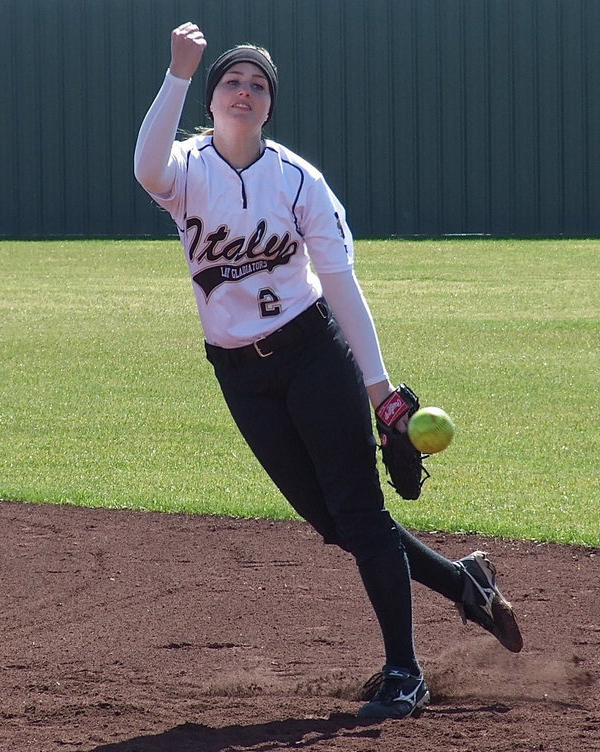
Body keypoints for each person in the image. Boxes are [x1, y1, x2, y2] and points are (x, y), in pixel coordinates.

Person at [134, 21, 522, 720]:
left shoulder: (298, 179)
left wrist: (379, 391)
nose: (244, 90)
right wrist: (178, 73)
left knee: (363, 515)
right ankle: (467, 585)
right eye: (232, 81)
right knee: (339, 521)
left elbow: (341, 286)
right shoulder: (185, 172)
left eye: (258, 84)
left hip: (312, 353)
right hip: (238, 374)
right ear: (213, 99)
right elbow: (145, 168)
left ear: (270, 106)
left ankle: (405, 671)